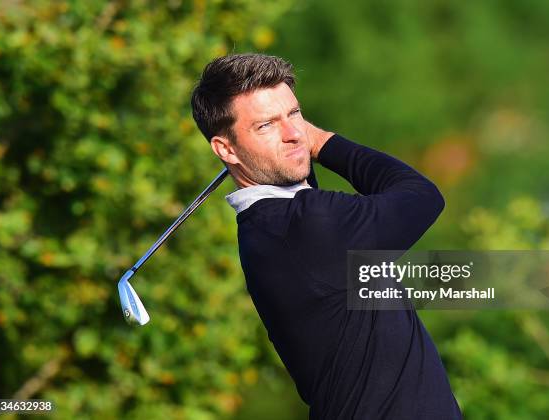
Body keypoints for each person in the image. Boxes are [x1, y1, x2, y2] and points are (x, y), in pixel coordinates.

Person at [191, 53, 462, 419]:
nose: (293, 134)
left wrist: (288, 138)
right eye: (266, 126)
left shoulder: (267, 226)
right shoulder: (305, 225)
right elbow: (422, 197)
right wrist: (322, 142)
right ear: (225, 149)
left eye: (295, 114)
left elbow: (301, 184)